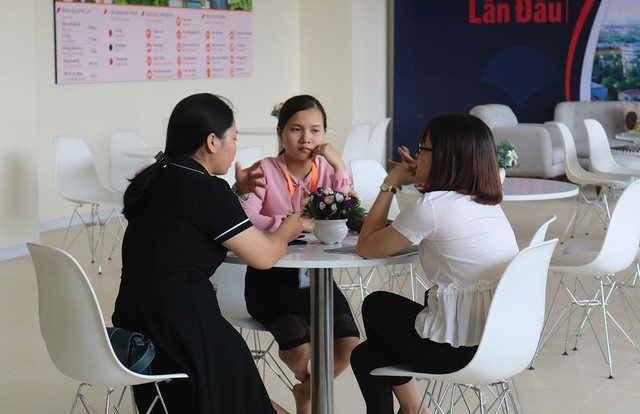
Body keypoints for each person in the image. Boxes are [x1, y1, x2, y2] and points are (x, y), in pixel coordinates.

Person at [111, 93, 303, 414]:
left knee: (245, 397)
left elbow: (185, 225)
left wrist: (237, 192)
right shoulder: (205, 189)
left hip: (136, 323)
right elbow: (265, 257)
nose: (235, 147)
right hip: (185, 330)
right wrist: (289, 227)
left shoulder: (157, 178)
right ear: (213, 142)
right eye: (234, 138)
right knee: (251, 397)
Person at [350, 113, 519, 414]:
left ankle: (414, 409)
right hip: (504, 341)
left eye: (421, 149)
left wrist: (389, 183)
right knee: (366, 356)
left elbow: (367, 247)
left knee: (376, 304)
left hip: (459, 350)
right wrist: (426, 178)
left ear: (443, 157)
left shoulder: (431, 208)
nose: (416, 156)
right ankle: (414, 410)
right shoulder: (486, 201)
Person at [240, 94, 360, 414]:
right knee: (300, 351)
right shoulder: (265, 170)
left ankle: (305, 393)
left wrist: (338, 165)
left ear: (324, 135)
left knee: (349, 347)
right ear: (280, 132)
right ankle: (309, 398)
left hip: (315, 278)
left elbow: (344, 211)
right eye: (296, 129)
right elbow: (246, 218)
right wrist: (295, 224)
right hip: (271, 278)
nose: (306, 138)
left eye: (315, 131)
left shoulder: (326, 170)